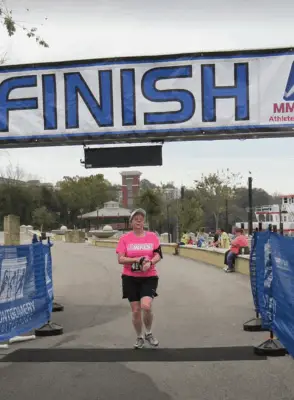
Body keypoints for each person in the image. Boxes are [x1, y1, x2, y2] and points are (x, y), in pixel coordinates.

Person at [116, 208, 163, 349]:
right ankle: (139, 336)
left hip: (149, 276)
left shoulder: (152, 237)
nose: (138, 220)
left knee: (146, 305)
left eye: (141, 218)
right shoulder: (124, 239)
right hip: (130, 277)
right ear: (131, 222)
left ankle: (148, 333)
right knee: (136, 310)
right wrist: (138, 259)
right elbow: (120, 259)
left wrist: (150, 262)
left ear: (144, 222)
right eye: (135, 218)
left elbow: (158, 255)